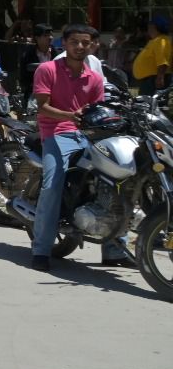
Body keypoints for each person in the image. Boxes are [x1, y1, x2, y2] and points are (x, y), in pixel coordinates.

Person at [30, 23, 133, 271]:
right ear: (63, 44)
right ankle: (41, 251)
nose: (79, 46)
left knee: (118, 179)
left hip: (88, 136)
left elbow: (96, 111)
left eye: (85, 42)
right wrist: (69, 115)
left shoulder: (95, 78)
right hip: (55, 133)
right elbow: (42, 106)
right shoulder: (47, 69)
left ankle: (114, 249)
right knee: (52, 184)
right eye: (74, 41)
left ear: (92, 45)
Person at [133, 16, 172, 96]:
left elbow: (162, 61)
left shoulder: (161, 41)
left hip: (154, 80)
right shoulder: (155, 40)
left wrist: (160, 77)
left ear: (157, 28)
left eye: (151, 27)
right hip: (149, 80)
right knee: (145, 105)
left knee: (151, 105)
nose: (149, 29)